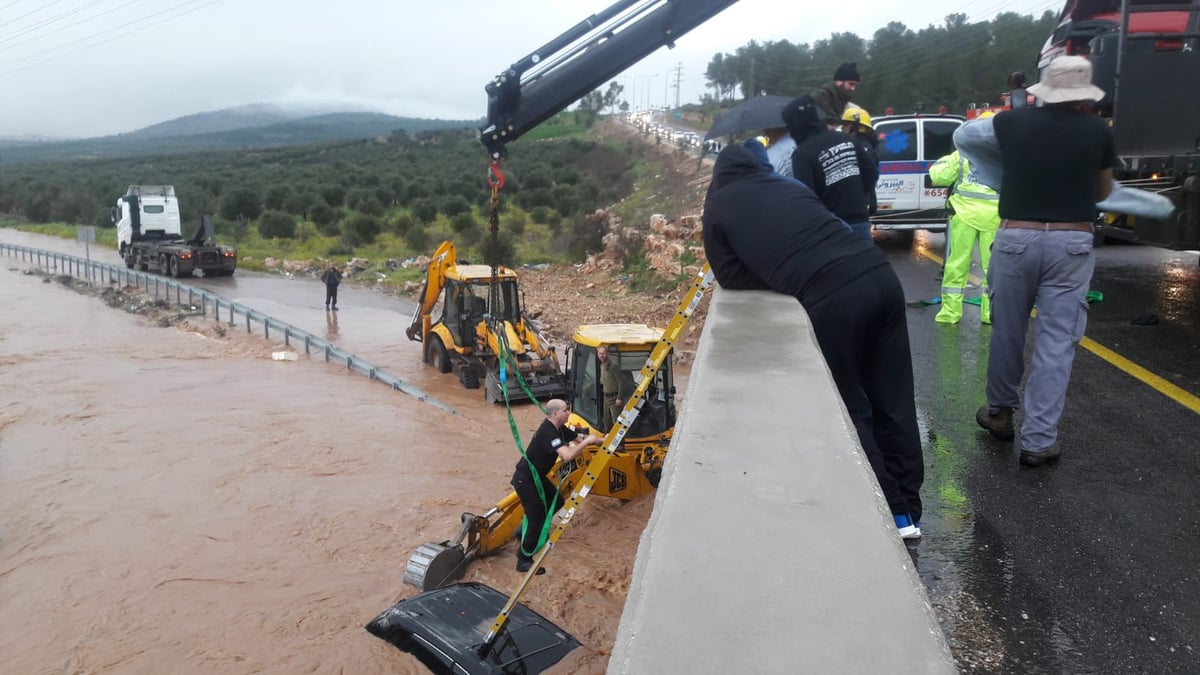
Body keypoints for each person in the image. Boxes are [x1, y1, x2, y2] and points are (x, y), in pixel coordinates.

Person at [702, 142, 925, 539]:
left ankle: (897, 515)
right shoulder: (789, 186)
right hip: (880, 275)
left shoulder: (719, 205)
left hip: (833, 300)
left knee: (852, 405)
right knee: (894, 400)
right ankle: (911, 501)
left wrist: (782, 274)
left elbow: (730, 276)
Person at [971, 55, 1114, 467]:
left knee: (1007, 330)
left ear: (1043, 89)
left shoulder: (1009, 124)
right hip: (1072, 241)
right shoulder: (1097, 130)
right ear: (1084, 93)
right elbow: (1102, 192)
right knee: (1055, 343)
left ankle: (999, 414)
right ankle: (1039, 440)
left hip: (1016, 236)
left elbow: (971, 141)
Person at [510, 399, 603, 572]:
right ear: (555, 414)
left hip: (537, 477)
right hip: (526, 480)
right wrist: (586, 443)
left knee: (558, 501)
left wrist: (601, 440)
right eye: (565, 410)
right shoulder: (549, 433)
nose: (568, 412)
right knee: (536, 515)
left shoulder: (559, 429)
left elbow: (577, 438)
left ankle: (521, 532)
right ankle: (523, 560)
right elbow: (567, 455)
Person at [928, 112, 1000, 325]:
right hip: (995, 218)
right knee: (993, 269)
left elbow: (937, 176)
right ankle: (990, 314)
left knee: (957, 264)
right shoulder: (1002, 156)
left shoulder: (961, 156)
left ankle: (950, 313)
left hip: (964, 216)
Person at [784, 95, 875, 239]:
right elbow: (871, 173)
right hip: (860, 221)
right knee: (864, 261)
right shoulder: (846, 139)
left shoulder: (802, 154)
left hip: (831, 228)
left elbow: (807, 197)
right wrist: (855, 197)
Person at [840, 105, 880, 219]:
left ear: (854, 127)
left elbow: (868, 177)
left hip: (857, 207)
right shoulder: (865, 147)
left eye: (845, 125)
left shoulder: (861, 149)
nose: (842, 128)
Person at [598, 343, 622, 430]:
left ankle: (620, 443)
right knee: (606, 421)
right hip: (606, 397)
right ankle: (607, 440)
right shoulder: (602, 365)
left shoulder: (613, 366)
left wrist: (619, 398)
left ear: (607, 353)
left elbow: (621, 383)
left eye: (603, 353)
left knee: (616, 422)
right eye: (600, 353)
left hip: (614, 398)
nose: (602, 355)